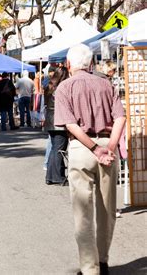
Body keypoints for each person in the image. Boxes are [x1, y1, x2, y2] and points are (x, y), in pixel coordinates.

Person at [54, 44, 125, 275]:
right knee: (107, 208)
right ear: (91, 64)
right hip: (108, 147)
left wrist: (94, 147)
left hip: (82, 147)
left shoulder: (64, 88)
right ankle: (103, 261)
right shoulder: (107, 84)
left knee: (82, 211)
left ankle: (89, 268)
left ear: (68, 64)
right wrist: (109, 147)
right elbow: (120, 118)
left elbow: (70, 124)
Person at [43, 66, 70, 185]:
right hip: (59, 121)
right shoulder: (61, 89)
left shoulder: (49, 87)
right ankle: (57, 177)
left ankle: (50, 176)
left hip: (50, 120)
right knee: (59, 149)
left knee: (55, 148)